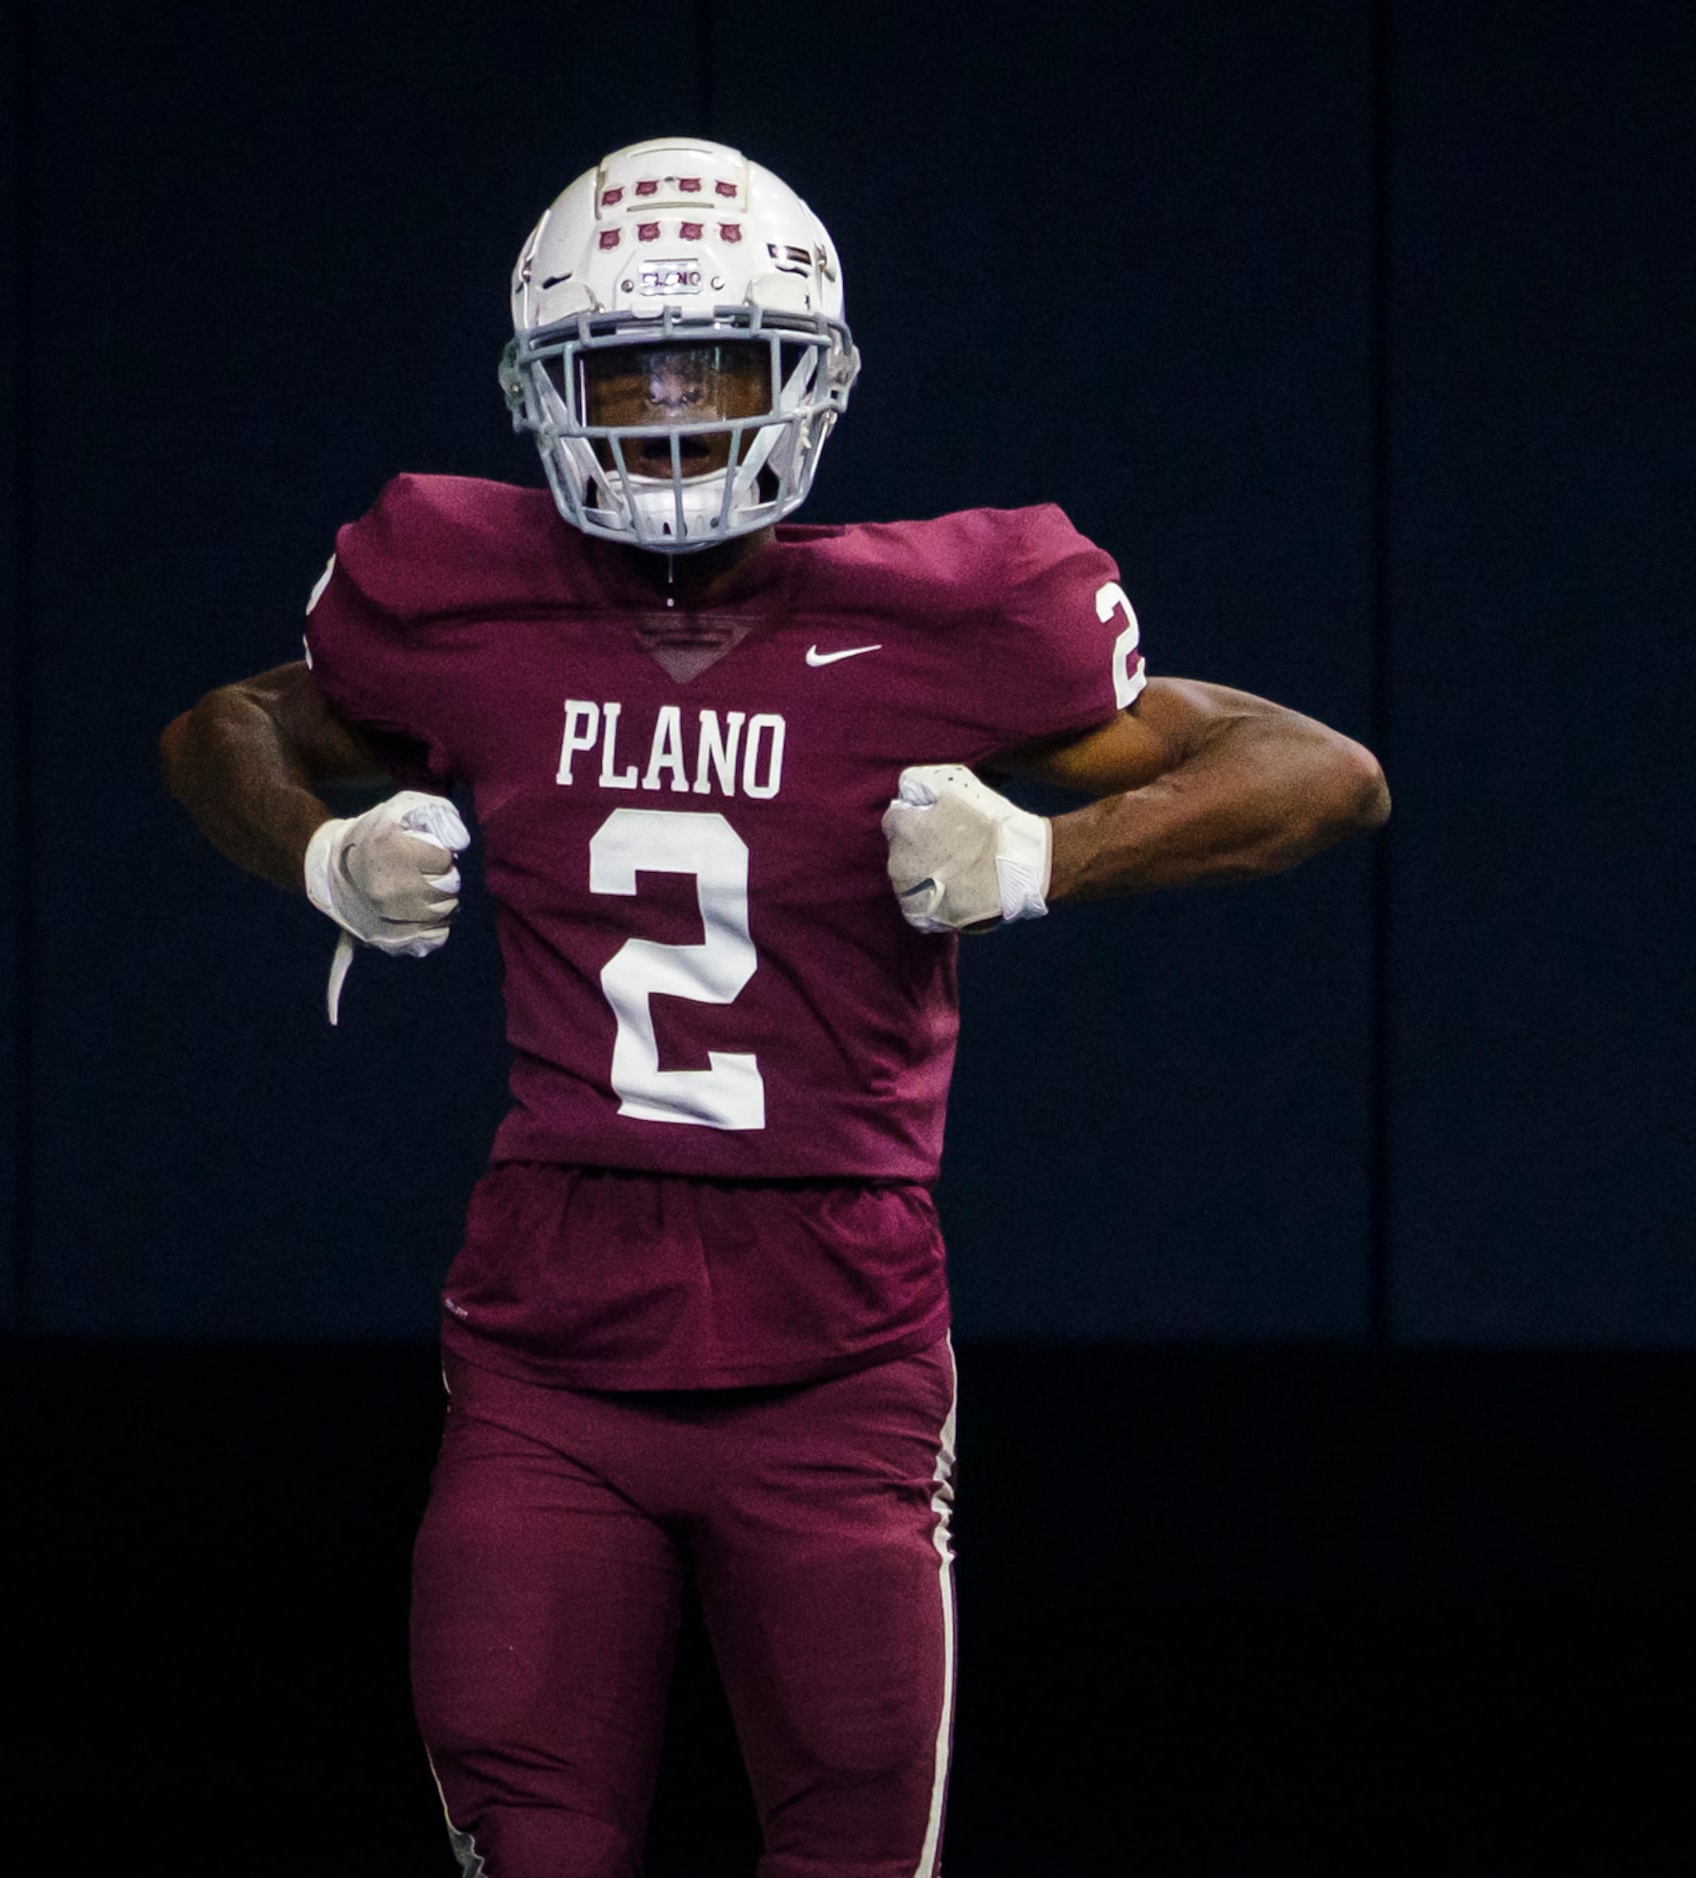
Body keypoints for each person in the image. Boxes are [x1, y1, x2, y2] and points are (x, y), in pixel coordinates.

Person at [159, 135, 1386, 1878]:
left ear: (806, 376)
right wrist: (324, 859)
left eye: (716, 363)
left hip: (840, 1339)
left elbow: (1321, 771)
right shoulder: (464, 591)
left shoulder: (944, 620)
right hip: (552, 1335)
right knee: (538, 1841)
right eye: (623, 371)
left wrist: (1043, 856)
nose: (667, 416)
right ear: (543, 388)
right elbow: (225, 727)